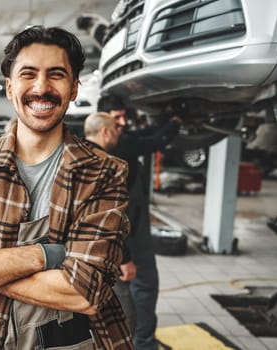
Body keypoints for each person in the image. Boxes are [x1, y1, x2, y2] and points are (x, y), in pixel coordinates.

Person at [0, 26, 133, 349]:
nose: (41, 87)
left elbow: (85, 292)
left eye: (56, 75)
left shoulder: (104, 173)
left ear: (74, 88)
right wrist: (48, 255)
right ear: (9, 87)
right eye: (28, 74)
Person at [97, 95, 181, 350]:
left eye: (124, 116)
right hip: (130, 226)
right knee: (144, 283)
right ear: (103, 122)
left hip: (130, 222)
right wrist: (175, 122)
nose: (123, 122)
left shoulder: (106, 141)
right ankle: (143, 343)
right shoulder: (118, 145)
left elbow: (145, 134)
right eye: (117, 117)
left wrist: (164, 120)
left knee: (129, 286)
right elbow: (155, 141)